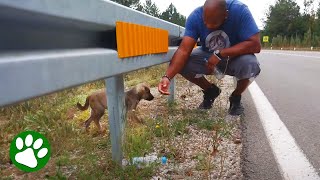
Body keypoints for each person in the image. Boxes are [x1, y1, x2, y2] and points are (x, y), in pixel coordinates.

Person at [158, 0, 261, 116]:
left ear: (226, 14)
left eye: (214, 24)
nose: (208, 27)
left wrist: (220, 54)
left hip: (235, 57)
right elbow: (183, 50)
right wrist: (167, 77)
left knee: (250, 64)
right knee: (183, 64)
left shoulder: (240, 11)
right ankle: (210, 91)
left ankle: (236, 97)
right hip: (207, 56)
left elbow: (255, 45)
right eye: (206, 23)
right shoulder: (195, 17)